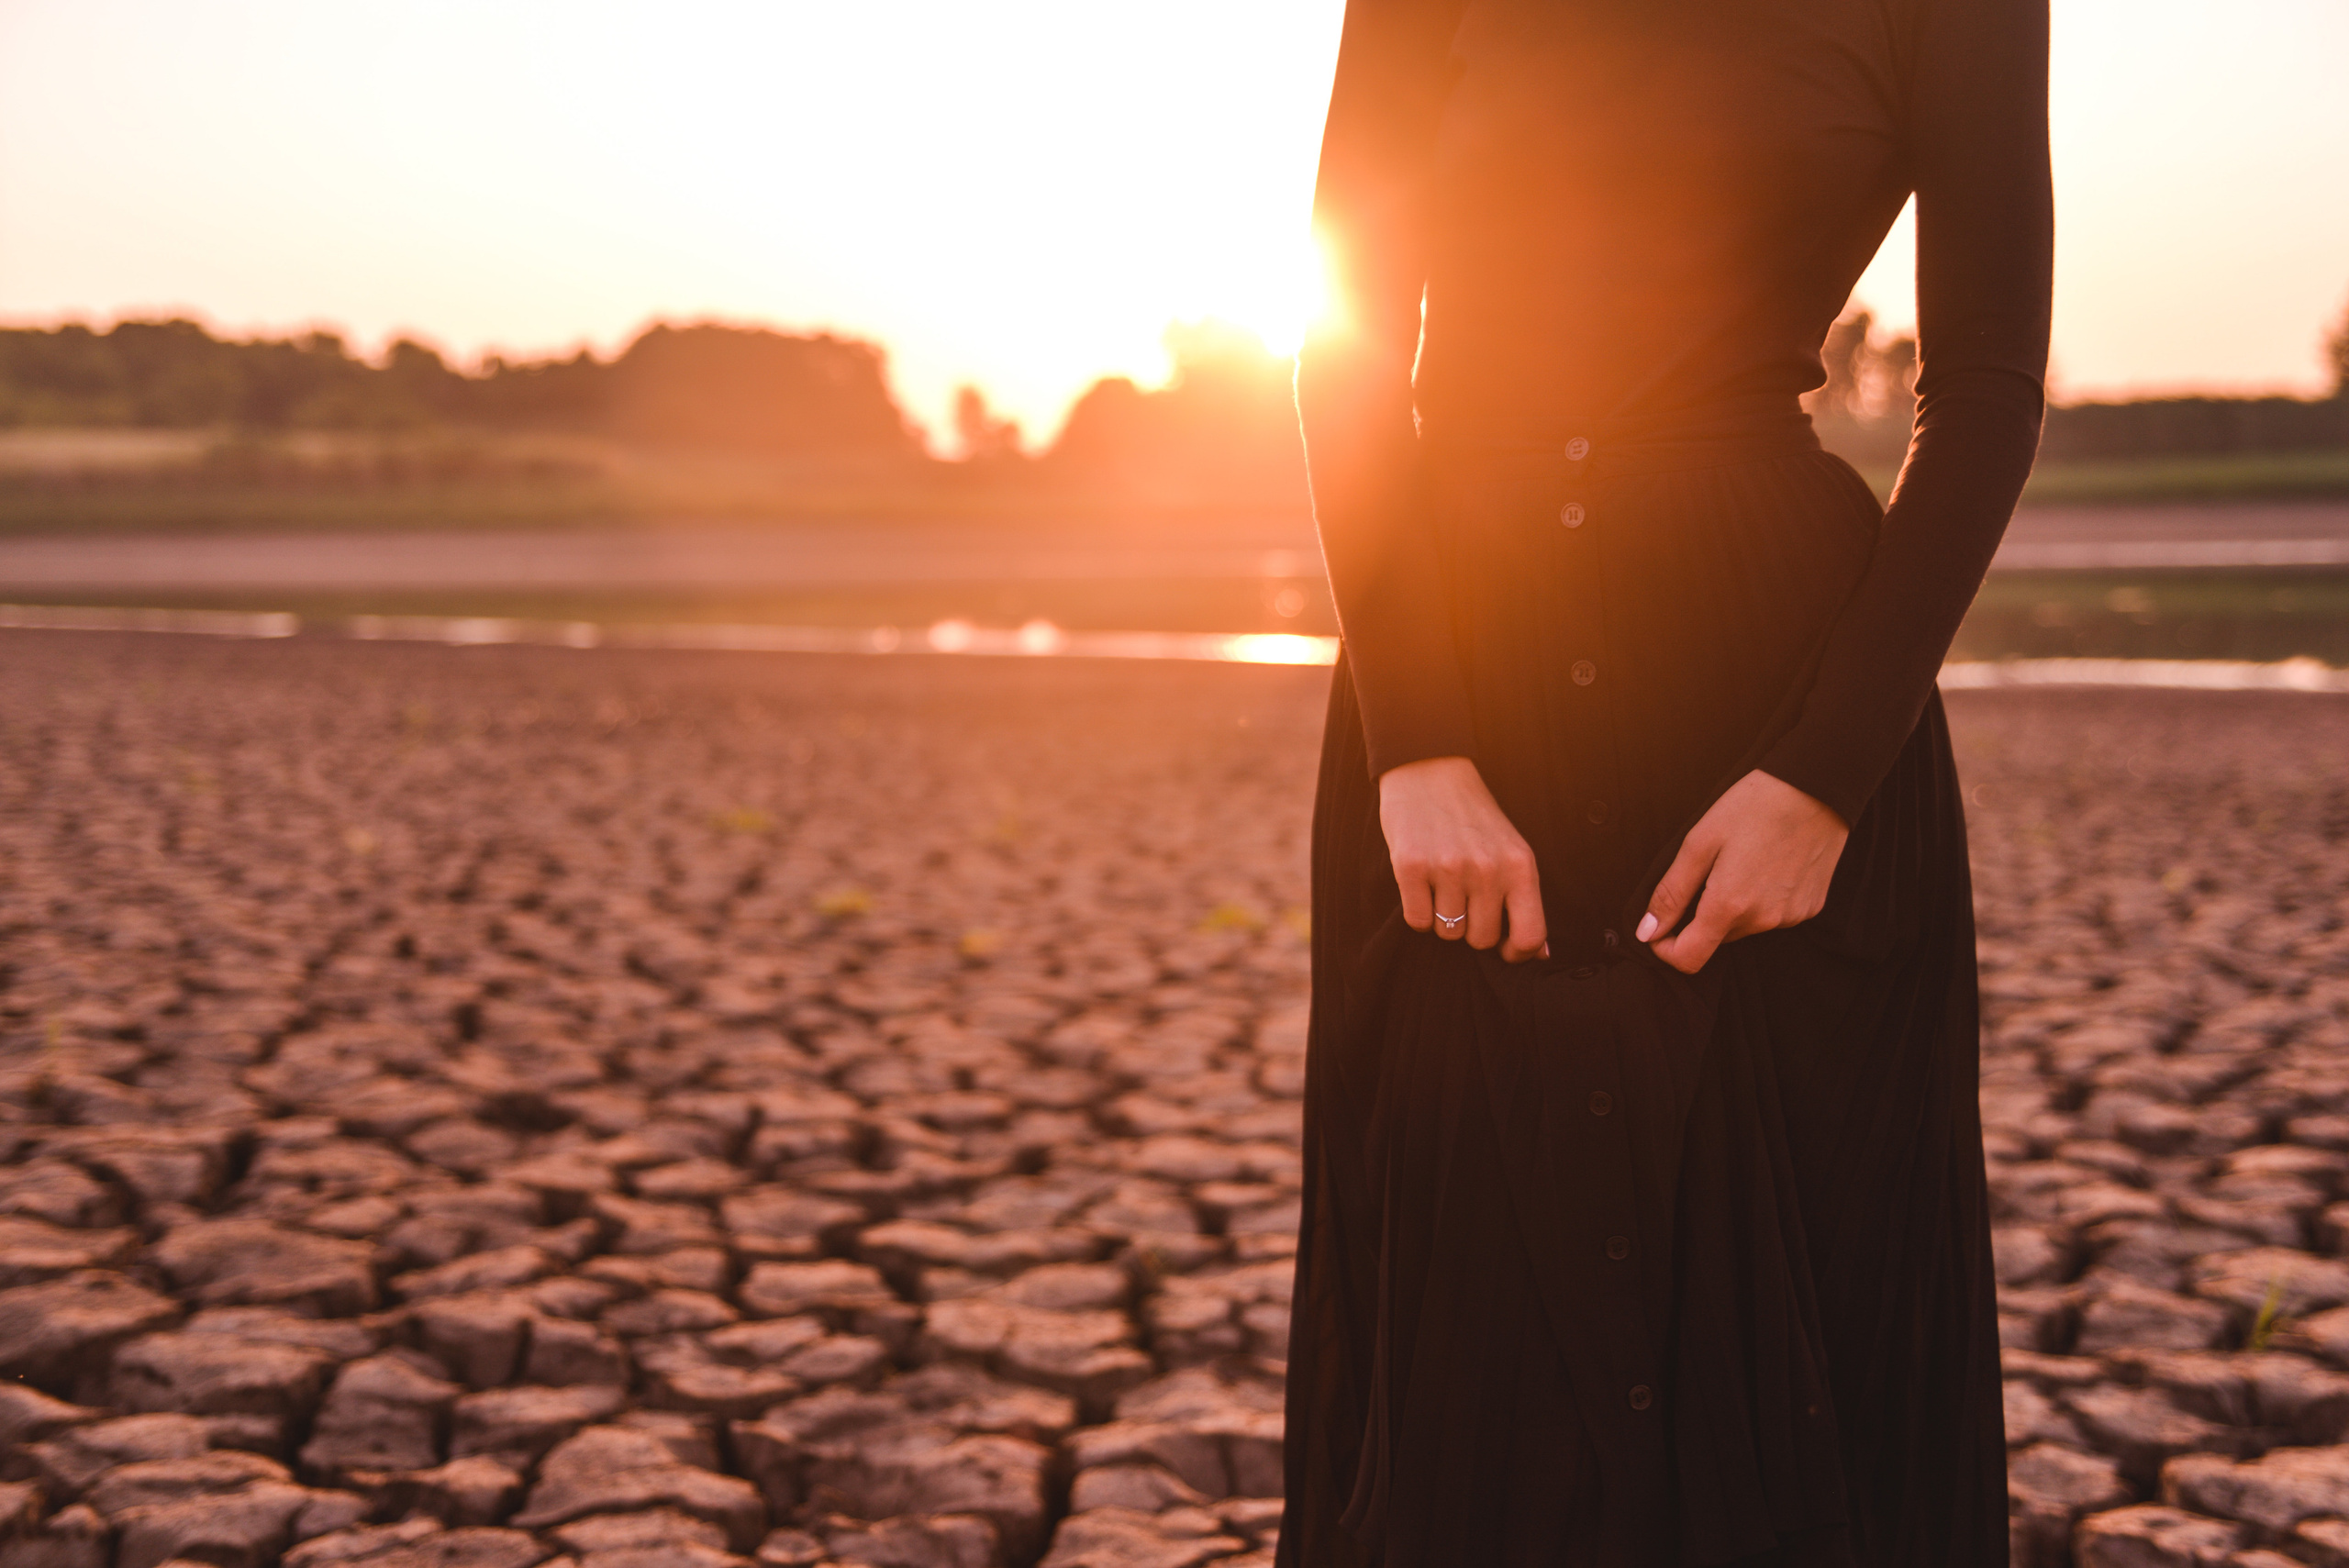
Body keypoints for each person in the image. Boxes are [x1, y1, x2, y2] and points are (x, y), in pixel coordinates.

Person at [1277, 0, 2051, 1562]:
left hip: (1774, 707)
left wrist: (1825, 777)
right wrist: (1414, 737)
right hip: (1457, 702)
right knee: (1458, 1355)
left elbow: (1982, 393)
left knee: (1806, 1324)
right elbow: (1344, 340)